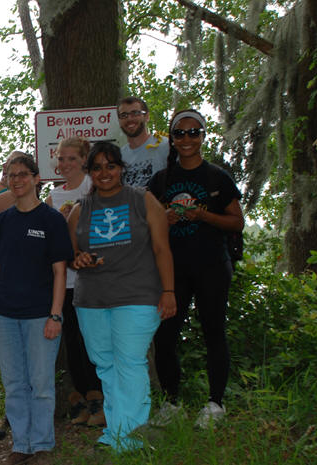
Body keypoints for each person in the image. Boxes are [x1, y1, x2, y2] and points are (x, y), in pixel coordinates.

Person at [67, 142, 176, 452]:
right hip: (92, 300)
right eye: (97, 167)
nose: (105, 173)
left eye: (111, 166)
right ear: (89, 172)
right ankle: (117, 432)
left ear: (121, 169)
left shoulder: (143, 200)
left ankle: (129, 437)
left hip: (137, 295)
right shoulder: (79, 210)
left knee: (129, 362)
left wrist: (168, 291)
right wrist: (79, 259)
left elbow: (161, 249)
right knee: (105, 365)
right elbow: (69, 254)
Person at [148, 109, 244, 428]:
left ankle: (215, 404)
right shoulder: (161, 180)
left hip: (212, 266)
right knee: (164, 336)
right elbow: (145, 218)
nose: (186, 139)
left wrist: (203, 216)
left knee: (214, 332)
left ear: (203, 136)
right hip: (172, 270)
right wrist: (165, 215)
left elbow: (236, 221)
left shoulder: (217, 177)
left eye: (193, 133)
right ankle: (171, 403)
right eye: (179, 134)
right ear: (172, 140)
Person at [0, 154, 73, 465]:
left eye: (22, 174)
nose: (16, 180)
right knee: (14, 383)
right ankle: (22, 444)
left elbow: (61, 272)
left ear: (36, 178)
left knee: (41, 383)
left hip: (40, 315)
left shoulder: (52, 220)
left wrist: (56, 314)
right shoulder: (1, 222)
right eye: (11, 175)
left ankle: (42, 444)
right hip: (3, 314)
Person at [43, 136, 105, 427]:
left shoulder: (94, 187)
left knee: (93, 340)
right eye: (61, 158)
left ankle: (101, 398)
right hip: (64, 281)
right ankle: (82, 399)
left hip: (94, 278)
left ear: (84, 159)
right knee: (73, 343)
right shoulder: (53, 197)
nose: (65, 164)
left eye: (71, 158)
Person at [118, 96, 169, 188]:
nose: (129, 119)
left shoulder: (165, 146)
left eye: (135, 113)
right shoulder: (118, 156)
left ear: (147, 117)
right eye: (124, 115)